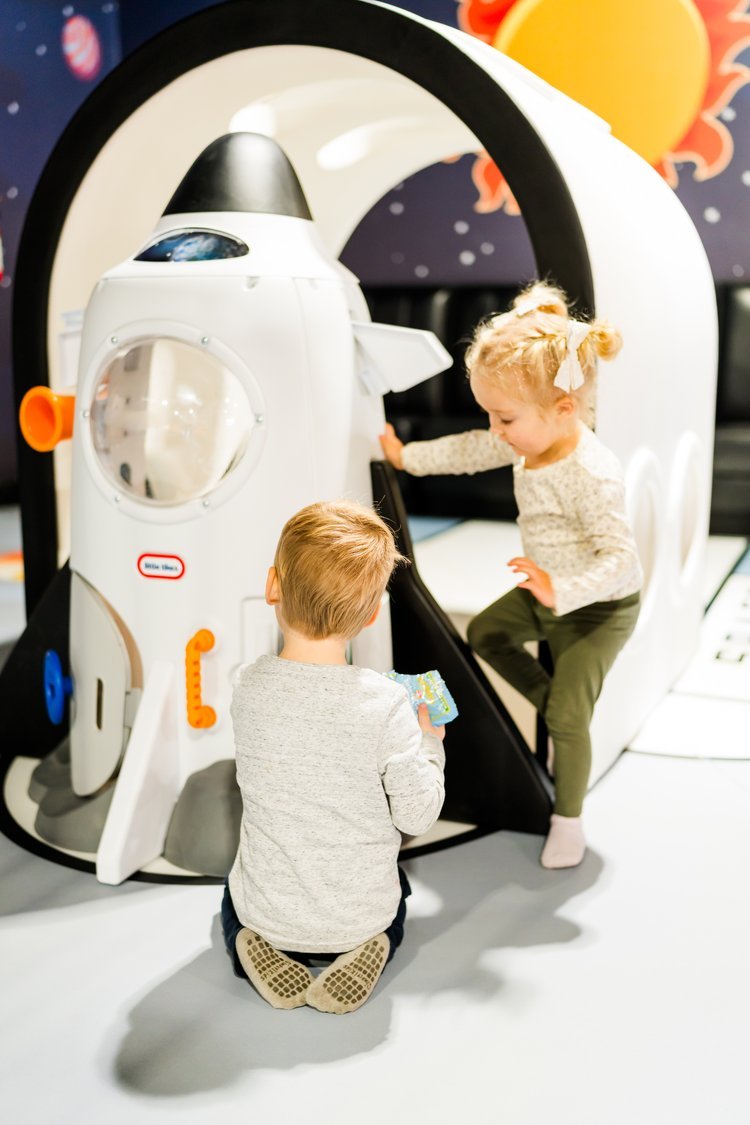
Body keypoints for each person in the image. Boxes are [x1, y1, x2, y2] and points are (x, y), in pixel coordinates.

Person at [379, 281, 642, 870]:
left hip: (600, 608)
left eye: (504, 417)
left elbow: (621, 560)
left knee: (569, 719)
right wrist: (407, 457)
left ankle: (567, 819)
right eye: (491, 416)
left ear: (565, 408)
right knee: (486, 634)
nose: (496, 429)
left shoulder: (593, 472)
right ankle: (558, 710)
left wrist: (562, 591)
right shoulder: (525, 441)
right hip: (546, 591)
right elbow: (473, 449)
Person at [222, 499, 446, 1013]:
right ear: (370, 616)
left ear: (272, 586)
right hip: (357, 917)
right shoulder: (385, 704)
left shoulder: (246, 685)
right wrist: (429, 742)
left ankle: (246, 941)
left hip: (269, 915)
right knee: (398, 893)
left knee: (232, 894)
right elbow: (418, 814)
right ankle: (376, 943)